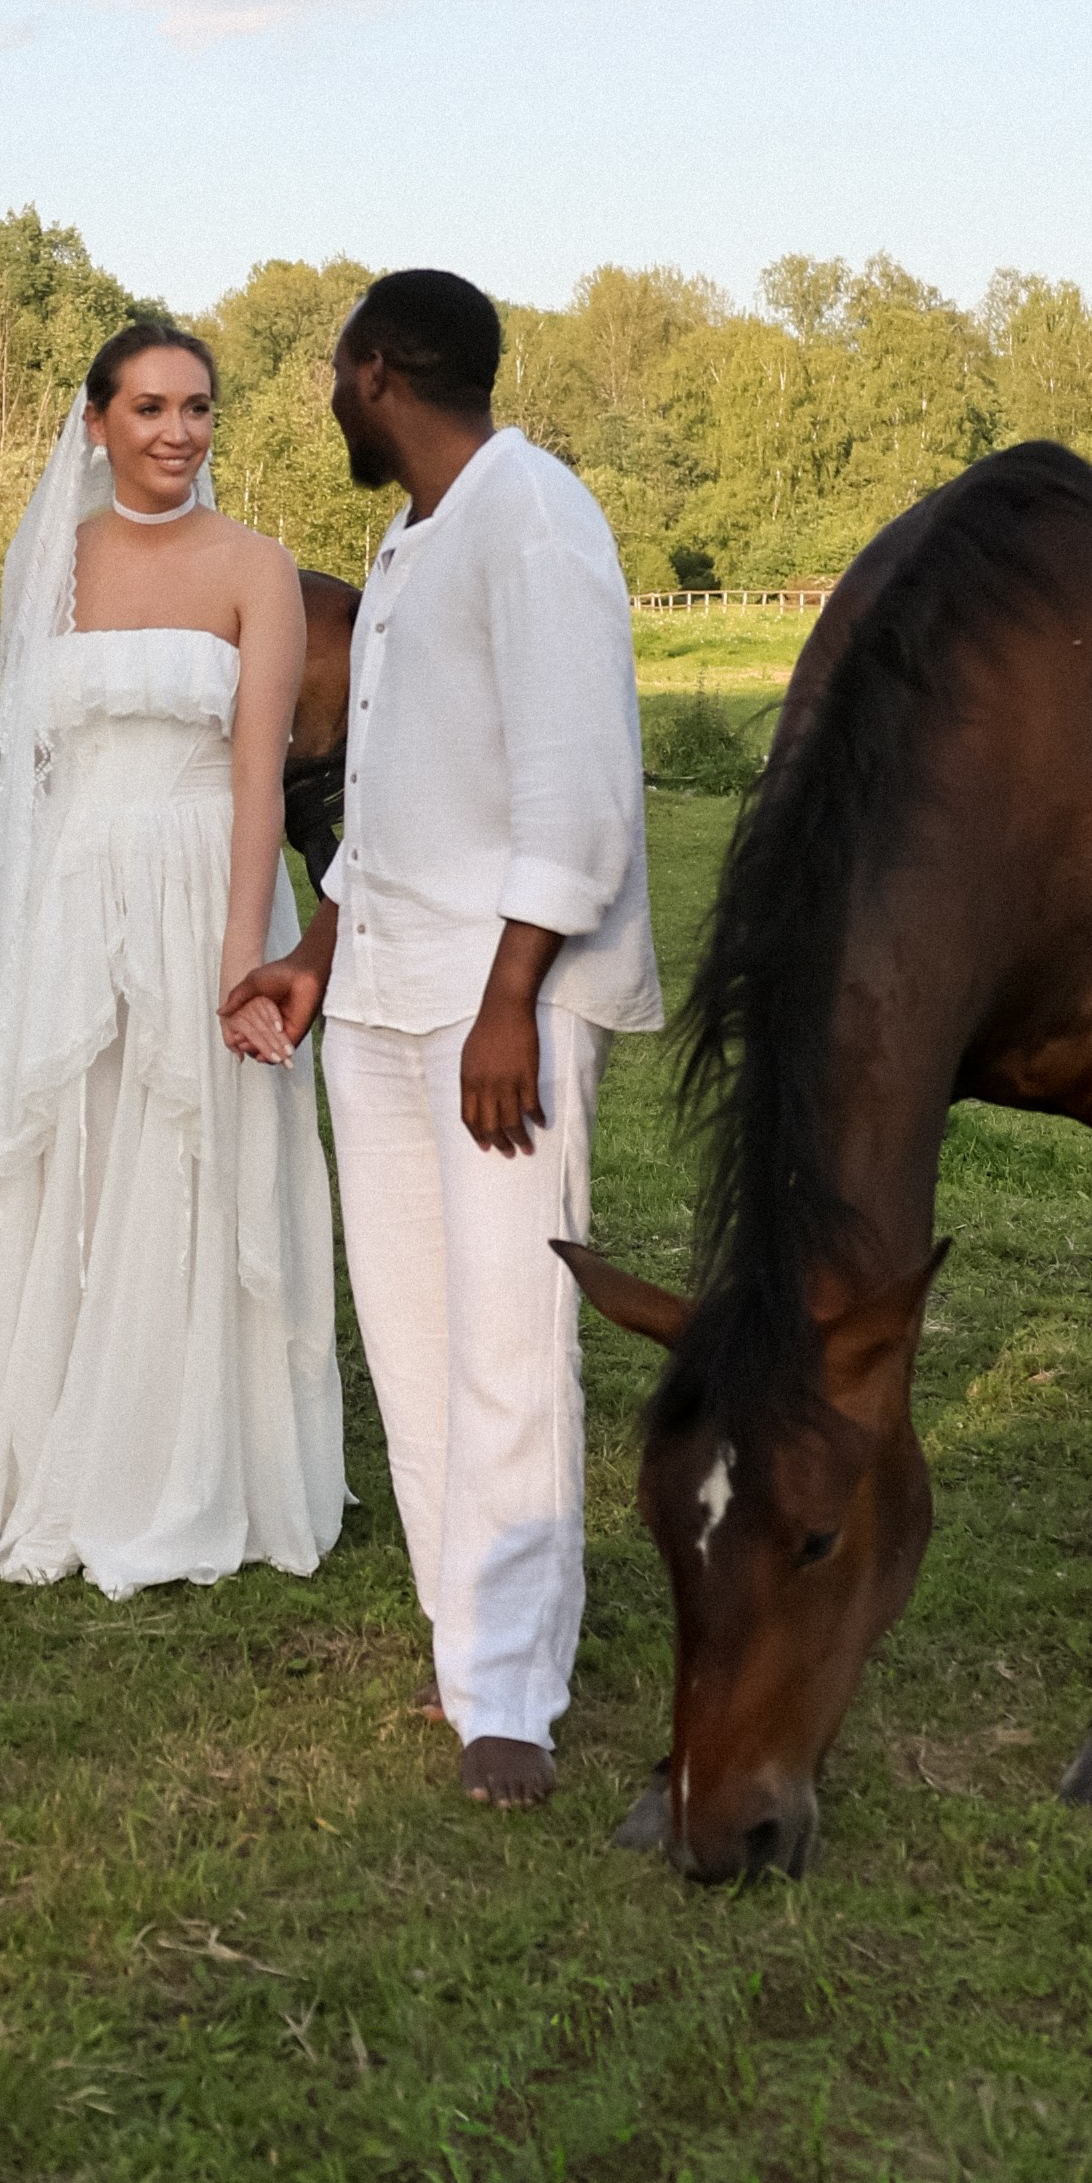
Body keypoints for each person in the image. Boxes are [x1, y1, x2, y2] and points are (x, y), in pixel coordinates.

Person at [230, 270, 659, 1808]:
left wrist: (507, 1002)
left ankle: (518, 1702)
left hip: (498, 1012)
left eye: (335, 373)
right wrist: (311, 957)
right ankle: (464, 1640)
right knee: (411, 1335)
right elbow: (393, 807)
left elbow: (583, 792)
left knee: (509, 1343)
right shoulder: (409, 535)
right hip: (384, 997)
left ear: (376, 369)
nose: (328, 399)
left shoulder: (531, 513)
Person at [0, 324, 344, 1594]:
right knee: (76, 1141)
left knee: (189, 1148)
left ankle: (192, 1458)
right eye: (147, 408)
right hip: (75, 884)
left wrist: (241, 954)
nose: (176, 431)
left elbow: (262, 777)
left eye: (196, 408)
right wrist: (19, 937)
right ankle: (53, 1447)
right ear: (96, 423)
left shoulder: (257, 566)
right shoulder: (55, 562)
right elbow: (23, 778)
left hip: (205, 875)